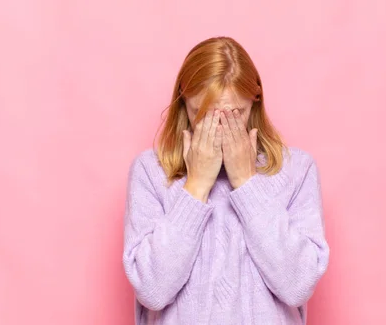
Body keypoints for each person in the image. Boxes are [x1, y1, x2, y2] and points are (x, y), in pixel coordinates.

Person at [123, 36, 329, 324]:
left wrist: (246, 182)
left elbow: (297, 287)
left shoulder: (297, 170)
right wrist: (195, 186)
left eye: (234, 115)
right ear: (184, 102)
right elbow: (153, 290)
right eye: (204, 116)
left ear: (254, 99)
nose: (219, 128)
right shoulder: (150, 171)